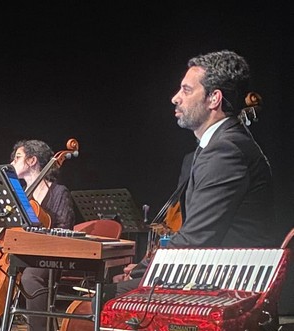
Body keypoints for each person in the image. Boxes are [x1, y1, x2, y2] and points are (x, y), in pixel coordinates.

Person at [108, 49, 275, 301]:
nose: (175, 98)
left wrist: (141, 271)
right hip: (212, 274)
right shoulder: (219, 145)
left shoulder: (225, 150)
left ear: (214, 99)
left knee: (96, 300)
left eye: (186, 90)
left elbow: (195, 239)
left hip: (225, 285)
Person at [11, 139, 75, 331]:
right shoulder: (20, 194)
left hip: (52, 255)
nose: (12, 163)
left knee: (31, 277)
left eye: (17, 157)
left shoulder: (58, 192)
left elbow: (65, 229)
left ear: (32, 160)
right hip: (24, 252)